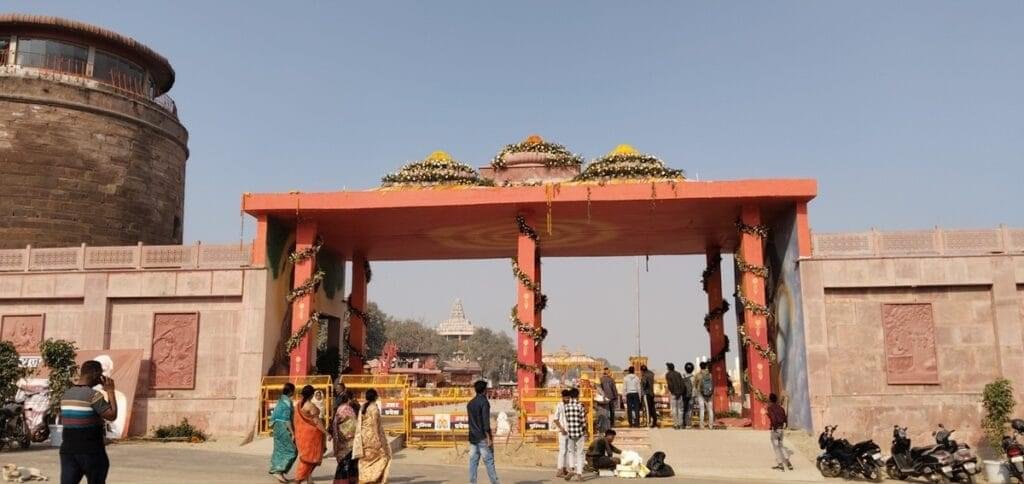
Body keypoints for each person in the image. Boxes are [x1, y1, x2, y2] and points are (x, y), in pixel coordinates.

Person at [60, 360, 118, 484]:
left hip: (68, 450)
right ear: (94, 374)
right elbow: (112, 415)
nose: (100, 378)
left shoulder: (66, 394)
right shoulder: (93, 395)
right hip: (91, 451)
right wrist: (110, 391)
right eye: (100, 374)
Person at [294, 385, 329, 484]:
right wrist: (326, 433)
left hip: (302, 435)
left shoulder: (298, 405)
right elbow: (317, 422)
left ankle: (309, 479)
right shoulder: (310, 406)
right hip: (312, 437)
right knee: (309, 460)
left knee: (306, 459)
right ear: (312, 395)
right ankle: (298, 480)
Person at [355, 389, 392, 483]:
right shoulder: (374, 408)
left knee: (366, 459)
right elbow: (374, 425)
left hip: (363, 436)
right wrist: (378, 439)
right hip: (372, 436)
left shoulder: (363, 407)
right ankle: (373, 478)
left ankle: (364, 478)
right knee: (384, 456)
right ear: (375, 397)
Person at [467, 380, 499, 483]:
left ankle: (472, 482)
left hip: (473, 437)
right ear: (484, 390)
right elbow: (485, 422)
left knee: (473, 462)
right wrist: (489, 437)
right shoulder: (484, 402)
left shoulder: (470, 403)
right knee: (489, 461)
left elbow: (471, 421)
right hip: (482, 437)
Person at [269, 383, 298, 483]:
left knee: (280, 449)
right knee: (292, 451)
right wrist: (293, 433)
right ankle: (278, 471)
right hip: (283, 428)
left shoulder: (281, 399)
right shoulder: (287, 402)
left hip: (277, 428)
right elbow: (286, 420)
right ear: (291, 391)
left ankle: (279, 472)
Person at [332, 391, 359, 484]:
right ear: (349, 399)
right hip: (348, 441)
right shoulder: (347, 409)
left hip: (340, 439)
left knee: (344, 463)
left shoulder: (339, 408)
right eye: (352, 398)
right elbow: (353, 425)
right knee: (348, 463)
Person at [562, 387, 588, 481]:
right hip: (579, 432)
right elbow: (583, 421)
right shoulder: (580, 406)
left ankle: (572, 469)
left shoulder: (566, 407)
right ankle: (579, 474)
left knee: (571, 452)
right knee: (580, 453)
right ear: (577, 396)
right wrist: (585, 430)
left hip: (570, 433)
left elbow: (567, 419)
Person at [767, 393, 794, 471]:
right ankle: (788, 463)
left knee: (776, 448)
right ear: (776, 399)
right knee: (781, 446)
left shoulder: (770, 408)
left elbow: (773, 418)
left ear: (770, 400)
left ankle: (780, 465)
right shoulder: (781, 408)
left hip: (775, 430)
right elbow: (785, 419)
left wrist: (774, 428)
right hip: (781, 429)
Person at [552, 389, 571, 478]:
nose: (567, 399)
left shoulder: (571, 405)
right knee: (562, 451)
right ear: (563, 397)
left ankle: (564, 468)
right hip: (562, 431)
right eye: (566, 398)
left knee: (568, 451)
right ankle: (559, 470)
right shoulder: (559, 406)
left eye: (568, 397)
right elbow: (555, 419)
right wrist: (561, 428)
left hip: (570, 431)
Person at [664, 363, 687, 430]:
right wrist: (680, 392)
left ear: (668, 368)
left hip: (674, 394)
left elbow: (670, 385)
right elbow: (682, 384)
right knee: (680, 409)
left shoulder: (668, 374)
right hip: (680, 394)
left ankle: (676, 424)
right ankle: (680, 424)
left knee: (674, 409)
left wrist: (673, 392)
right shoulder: (678, 373)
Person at [694, 361, 714, 429]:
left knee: (702, 409)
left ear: (700, 367)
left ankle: (702, 425)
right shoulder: (710, 375)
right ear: (706, 367)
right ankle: (711, 425)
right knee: (710, 409)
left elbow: (695, 385)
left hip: (701, 394)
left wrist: (697, 389)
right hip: (709, 394)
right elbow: (712, 384)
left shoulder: (698, 375)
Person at [682, 362, 696, 428]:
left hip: (684, 395)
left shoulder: (683, 376)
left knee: (683, 409)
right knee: (689, 410)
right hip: (691, 395)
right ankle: (688, 424)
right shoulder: (693, 377)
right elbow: (694, 388)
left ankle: (683, 423)